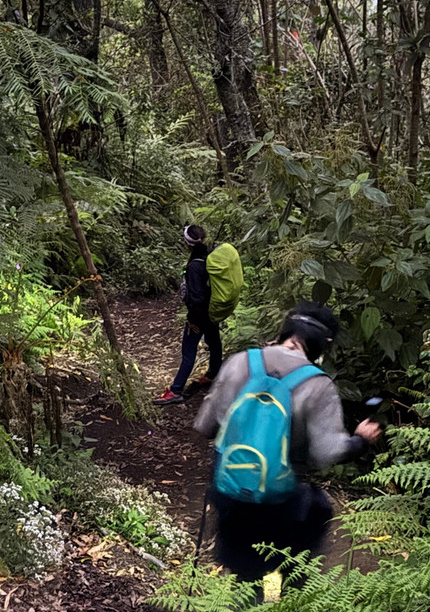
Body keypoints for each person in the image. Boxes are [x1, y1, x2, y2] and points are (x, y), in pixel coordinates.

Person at [193, 302, 383, 592]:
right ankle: (279, 607)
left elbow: (205, 425)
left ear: (285, 329)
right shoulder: (318, 385)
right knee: (307, 531)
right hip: (280, 502)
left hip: (231, 492)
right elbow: (327, 453)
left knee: (244, 573)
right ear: (324, 343)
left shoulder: (241, 362)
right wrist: (359, 440)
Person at [153, 225, 222, 405]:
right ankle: (214, 374)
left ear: (187, 243)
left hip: (199, 315)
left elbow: (197, 297)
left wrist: (192, 319)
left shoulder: (194, 265)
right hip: (212, 311)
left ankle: (176, 390)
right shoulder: (210, 258)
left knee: (189, 352)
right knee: (214, 342)